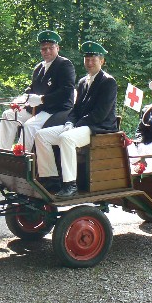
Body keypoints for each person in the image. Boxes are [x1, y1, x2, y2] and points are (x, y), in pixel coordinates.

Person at [35, 41, 118, 197]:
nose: (90, 62)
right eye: (87, 59)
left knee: (66, 138)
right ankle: (51, 179)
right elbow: (76, 109)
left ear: (102, 61)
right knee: (41, 135)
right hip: (81, 126)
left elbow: (100, 114)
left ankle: (70, 185)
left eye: (94, 59)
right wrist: (69, 122)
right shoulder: (82, 82)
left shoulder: (108, 82)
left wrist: (75, 125)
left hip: (99, 128)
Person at [0, 30, 75, 152]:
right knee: (8, 115)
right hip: (37, 109)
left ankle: (21, 159)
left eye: (50, 48)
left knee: (29, 126)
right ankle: (0, 152)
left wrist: (42, 99)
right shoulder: (39, 68)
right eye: (43, 48)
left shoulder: (64, 64)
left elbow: (66, 91)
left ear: (57, 48)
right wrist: (22, 99)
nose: (47, 51)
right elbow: (32, 89)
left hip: (55, 110)